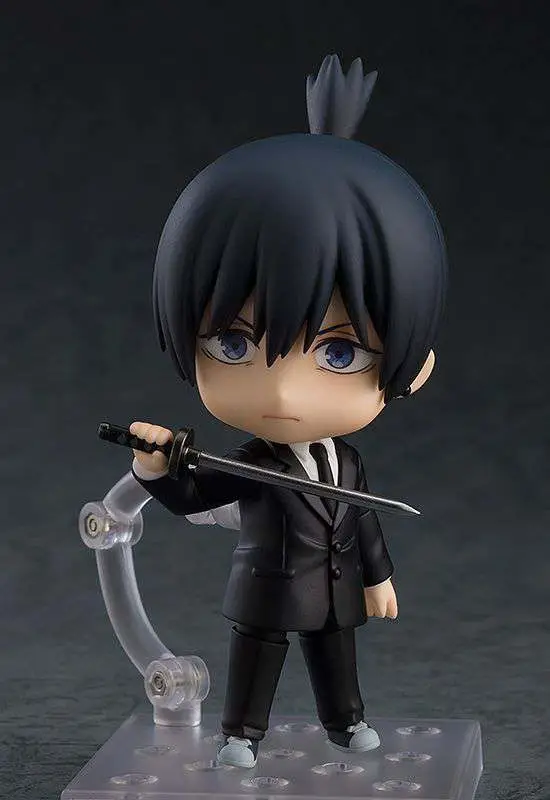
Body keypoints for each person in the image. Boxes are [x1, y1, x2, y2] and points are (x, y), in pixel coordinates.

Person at [130, 54, 448, 768]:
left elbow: (361, 519)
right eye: (233, 344)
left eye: (339, 353)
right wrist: (154, 468)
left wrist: (378, 575)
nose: (282, 395)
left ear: (414, 364)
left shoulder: (348, 461)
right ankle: (241, 733)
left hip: (333, 592)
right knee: (257, 661)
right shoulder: (252, 461)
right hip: (266, 594)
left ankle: (347, 723)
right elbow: (194, 494)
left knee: (337, 658)